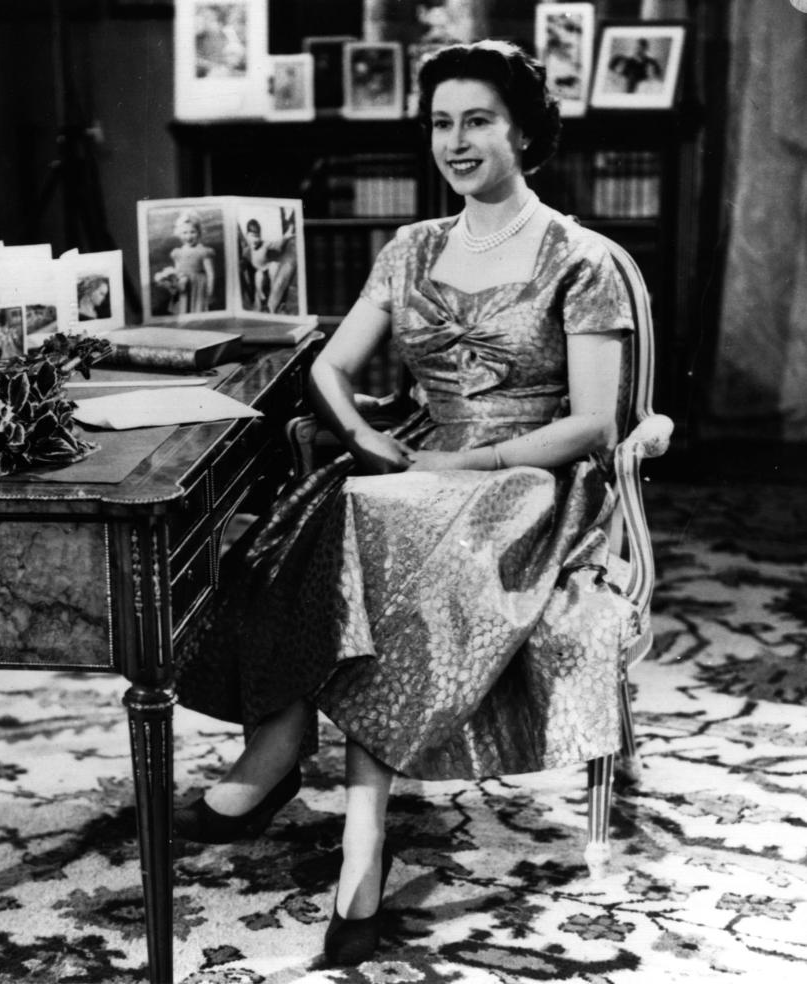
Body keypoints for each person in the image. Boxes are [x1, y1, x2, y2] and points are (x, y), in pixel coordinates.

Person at [173, 40, 641, 967]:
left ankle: (359, 843)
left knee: (379, 521)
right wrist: (361, 436)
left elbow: (593, 424)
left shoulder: (579, 260)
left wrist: (475, 463)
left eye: (477, 121)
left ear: (523, 133)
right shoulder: (411, 248)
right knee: (319, 514)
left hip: (528, 485)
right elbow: (331, 368)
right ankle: (286, 744)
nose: (455, 142)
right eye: (440, 123)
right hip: (416, 471)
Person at [160, 209, 216, 315]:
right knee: (183, 309)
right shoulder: (178, 252)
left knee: (198, 311)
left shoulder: (203, 251)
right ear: (179, 234)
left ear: (199, 233)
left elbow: (210, 273)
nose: (189, 236)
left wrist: (209, 292)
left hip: (198, 287)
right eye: (184, 233)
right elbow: (177, 272)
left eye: (192, 232)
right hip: (184, 286)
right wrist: (173, 285)